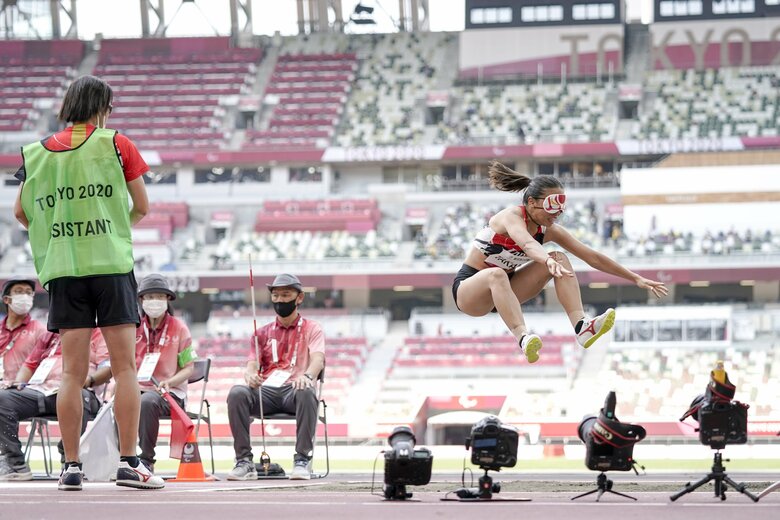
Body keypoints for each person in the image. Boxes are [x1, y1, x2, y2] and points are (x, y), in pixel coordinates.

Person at [13, 75, 163, 490]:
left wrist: (62, 232)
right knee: (125, 368)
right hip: (110, 265)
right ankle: (131, 463)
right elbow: (142, 207)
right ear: (103, 107)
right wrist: (111, 231)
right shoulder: (117, 144)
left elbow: (22, 215)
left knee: (71, 376)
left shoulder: (37, 153)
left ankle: (71, 467)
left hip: (63, 267)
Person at [452, 161, 668, 363]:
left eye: (561, 206)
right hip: (470, 292)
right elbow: (527, 244)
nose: (557, 213)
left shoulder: (549, 231)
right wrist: (545, 260)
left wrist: (635, 278)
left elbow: (592, 256)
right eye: (551, 205)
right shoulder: (510, 217)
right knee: (497, 274)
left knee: (560, 258)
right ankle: (523, 337)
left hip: (507, 292)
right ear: (531, 203)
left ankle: (582, 326)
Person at [227, 273, 325, 481]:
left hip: (295, 391)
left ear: (299, 298)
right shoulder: (261, 332)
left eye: (286, 294)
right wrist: (250, 374)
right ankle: (244, 461)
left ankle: (302, 460)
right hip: (267, 393)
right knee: (237, 392)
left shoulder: (312, 328)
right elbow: (252, 364)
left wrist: (307, 376)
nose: (280, 300)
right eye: (276, 296)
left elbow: (318, 360)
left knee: (307, 389)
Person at [0, 329, 110, 480]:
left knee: (76, 394)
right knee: (3, 397)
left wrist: (89, 380)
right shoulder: (49, 334)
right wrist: (19, 382)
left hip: (80, 389)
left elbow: (108, 368)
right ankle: (15, 463)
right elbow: (29, 365)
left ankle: (70, 459)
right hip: (39, 390)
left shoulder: (98, 334)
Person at [134, 274, 196, 472]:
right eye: (149, 297)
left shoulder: (180, 328)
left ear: (168, 299)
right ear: (141, 300)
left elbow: (189, 368)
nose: (154, 302)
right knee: (121, 401)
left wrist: (170, 382)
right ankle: (121, 459)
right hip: (138, 390)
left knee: (148, 401)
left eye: (159, 297)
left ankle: (146, 460)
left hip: (169, 394)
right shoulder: (133, 328)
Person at [1, 277, 45, 383]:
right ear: (6, 299)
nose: (25, 296)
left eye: (29, 293)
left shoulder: (40, 330)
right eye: (19, 291)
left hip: (21, 391)